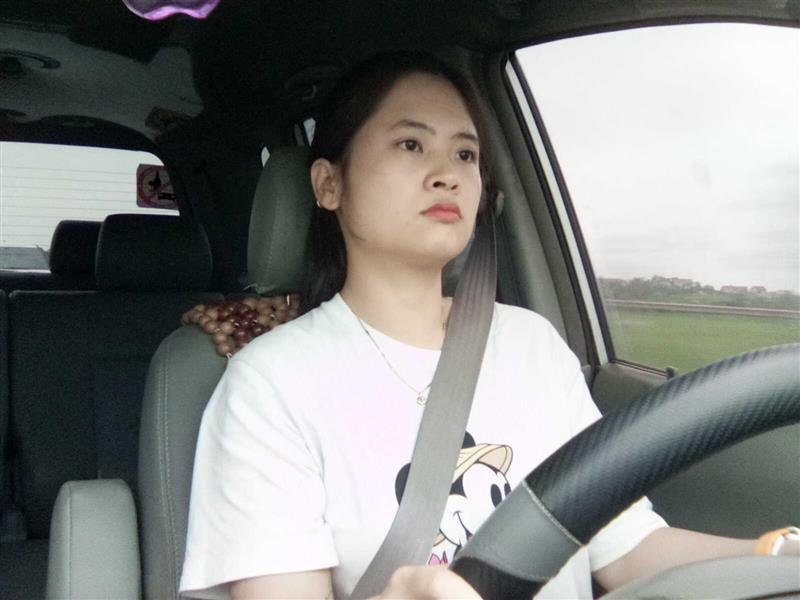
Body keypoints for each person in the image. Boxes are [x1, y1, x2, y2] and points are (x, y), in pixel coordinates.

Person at [178, 52, 797, 599]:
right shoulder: (271, 384)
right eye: (410, 144)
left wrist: (773, 554)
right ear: (329, 184)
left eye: (466, 153)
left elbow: (629, 551)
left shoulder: (532, 344)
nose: (447, 172)